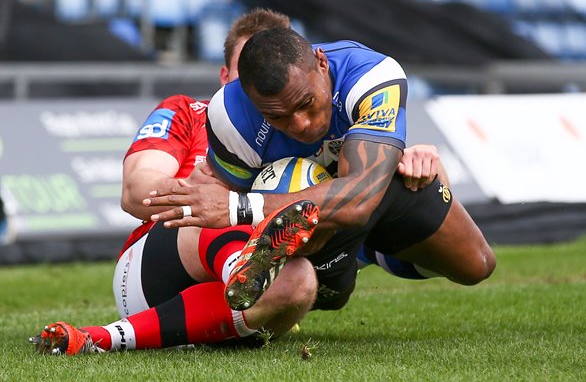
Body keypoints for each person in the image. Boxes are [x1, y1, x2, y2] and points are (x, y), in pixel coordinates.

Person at [29, 10, 453, 355]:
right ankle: (245, 267)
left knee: (300, 279)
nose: (267, 90)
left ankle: (116, 333)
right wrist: (197, 196)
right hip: (163, 261)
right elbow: (136, 190)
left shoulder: (318, 140)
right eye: (250, 75)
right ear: (226, 76)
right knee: (217, 216)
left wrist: (419, 167)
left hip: (249, 307)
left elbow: (362, 198)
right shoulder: (187, 112)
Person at [143, 28, 496, 312]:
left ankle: (363, 253)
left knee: (477, 265)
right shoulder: (229, 116)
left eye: (306, 103)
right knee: (290, 177)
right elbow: (219, 205)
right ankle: (317, 272)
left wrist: (238, 206)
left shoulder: (371, 76)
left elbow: (360, 197)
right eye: (277, 116)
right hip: (310, 230)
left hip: (374, 197)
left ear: (322, 64)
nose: (300, 124)